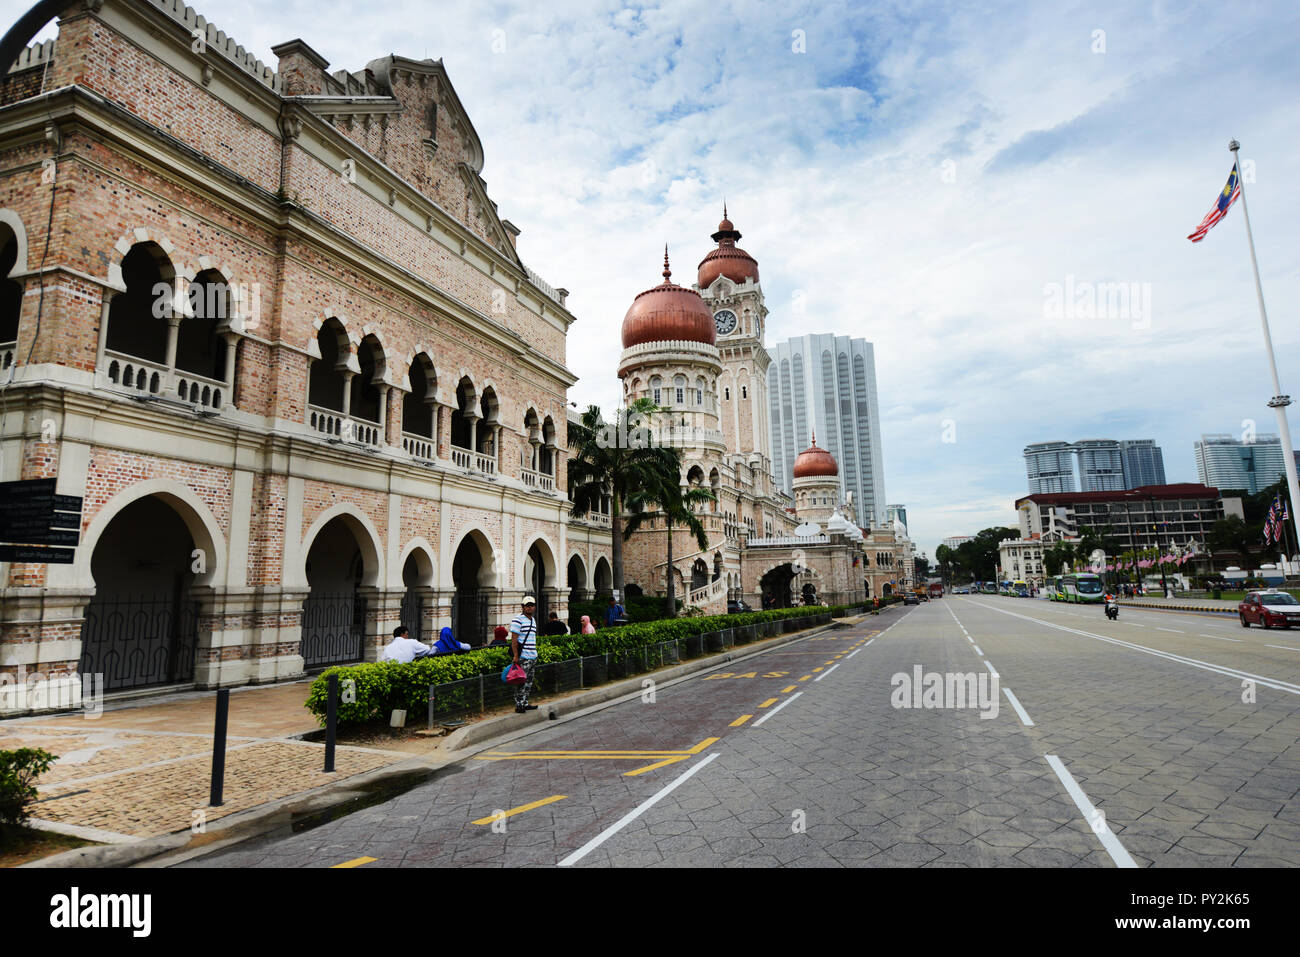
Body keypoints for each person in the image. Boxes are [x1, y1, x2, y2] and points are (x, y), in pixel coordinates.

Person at [510, 595, 539, 713]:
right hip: (524, 656)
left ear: (534, 607)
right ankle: (519, 704)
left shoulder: (533, 620)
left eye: (531, 605)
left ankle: (525, 702)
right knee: (521, 681)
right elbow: (514, 639)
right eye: (527, 605)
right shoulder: (518, 619)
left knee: (529, 682)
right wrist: (516, 655)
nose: (529, 608)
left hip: (533, 655)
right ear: (523, 607)